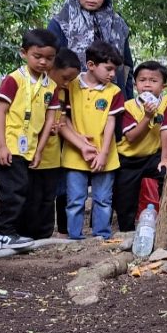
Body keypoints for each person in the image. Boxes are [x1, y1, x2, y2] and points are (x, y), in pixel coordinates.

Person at [0, 29, 59, 250]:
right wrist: (1, 145)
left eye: (49, 58)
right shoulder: (14, 79)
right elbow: (0, 112)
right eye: (38, 56)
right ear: (24, 53)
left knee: (24, 190)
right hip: (8, 145)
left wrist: (39, 150)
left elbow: (49, 121)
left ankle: (12, 233)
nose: (43, 62)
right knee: (14, 190)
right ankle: (1, 234)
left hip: (29, 149)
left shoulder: (51, 86)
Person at [56, 40, 125, 240]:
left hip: (106, 155)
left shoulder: (115, 91)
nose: (112, 74)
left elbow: (111, 123)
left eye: (115, 70)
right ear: (91, 65)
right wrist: (79, 142)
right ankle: (74, 236)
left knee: (103, 199)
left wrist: (103, 153)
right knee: (75, 199)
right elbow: (63, 118)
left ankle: (101, 235)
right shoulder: (71, 85)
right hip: (74, 154)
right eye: (109, 69)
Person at [47, 0, 136, 98]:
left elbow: (126, 68)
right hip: (71, 96)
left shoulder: (117, 24)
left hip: (112, 97)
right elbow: (50, 64)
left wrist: (127, 100)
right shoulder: (61, 22)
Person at [113, 61, 167, 232]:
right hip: (128, 158)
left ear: (163, 85)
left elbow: (166, 130)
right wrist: (148, 116)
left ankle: (165, 224)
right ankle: (127, 231)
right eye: (142, 80)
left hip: (153, 156)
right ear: (135, 84)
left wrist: (165, 159)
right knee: (125, 197)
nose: (147, 84)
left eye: (153, 80)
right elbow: (132, 137)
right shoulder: (127, 107)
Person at [28, 48, 81, 239]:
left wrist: (81, 141)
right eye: (65, 77)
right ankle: (27, 233)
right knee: (33, 194)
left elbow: (63, 122)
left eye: (70, 80)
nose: (67, 83)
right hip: (31, 151)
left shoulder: (63, 94)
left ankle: (46, 234)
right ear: (51, 68)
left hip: (53, 155)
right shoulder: (38, 88)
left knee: (50, 195)